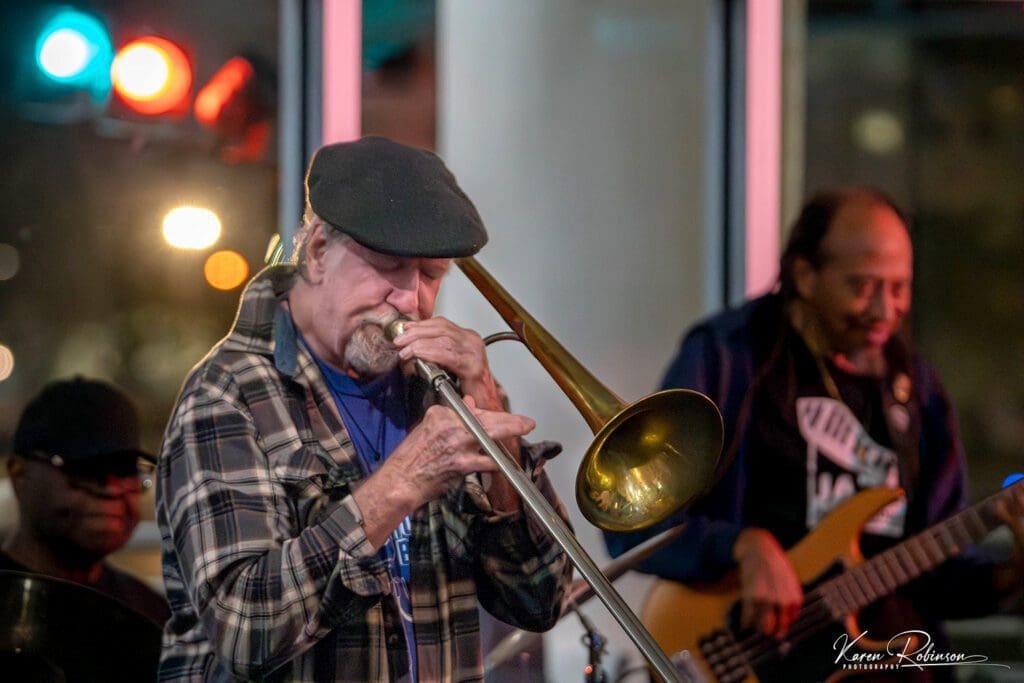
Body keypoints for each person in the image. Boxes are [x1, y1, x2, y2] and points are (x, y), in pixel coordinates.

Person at [155, 136, 572, 682]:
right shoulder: (225, 394)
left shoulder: (443, 390)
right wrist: (402, 481)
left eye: (431, 275)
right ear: (319, 251)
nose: (410, 300)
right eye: (390, 266)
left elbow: (540, 599)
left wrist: (492, 419)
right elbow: (244, 629)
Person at [604, 186, 1024, 681]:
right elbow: (630, 522)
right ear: (804, 274)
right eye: (862, 285)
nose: (884, 311)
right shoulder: (730, 356)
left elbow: (943, 577)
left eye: (899, 287)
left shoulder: (916, 388)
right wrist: (741, 545)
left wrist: (1014, 570)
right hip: (747, 657)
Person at [2, 376, 170, 626]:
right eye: (86, 469)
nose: (112, 489)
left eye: (126, 471)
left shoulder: (151, 615)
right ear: (20, 473)